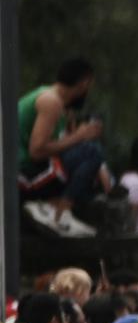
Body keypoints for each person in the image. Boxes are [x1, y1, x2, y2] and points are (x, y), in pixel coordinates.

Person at [18, 57, 109, 224]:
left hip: (32, 169)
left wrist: (74, 135)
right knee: (92, 151)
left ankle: (57, 205)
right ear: (84, 83)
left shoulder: (56, 102)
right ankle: (60, 213)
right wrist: (78, 137)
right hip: (23, 173)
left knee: (88, 153)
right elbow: (36, 151)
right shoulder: (51, 102)